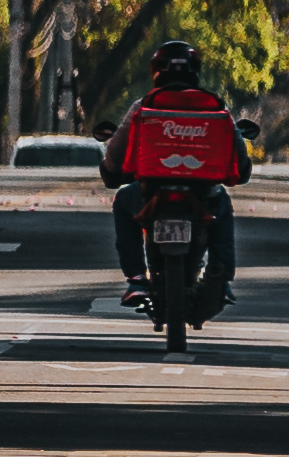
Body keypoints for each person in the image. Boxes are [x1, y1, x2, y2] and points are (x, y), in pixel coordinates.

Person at [100, 39, 252, 309]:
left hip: (149, 193)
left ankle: (136, 278)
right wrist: (241, 170)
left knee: (123, 201)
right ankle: (223, 278)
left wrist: (112, 172)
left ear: (156, 70)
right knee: (223, 209)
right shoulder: (215, 106)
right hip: (204, 193)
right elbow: (238, 154)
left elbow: (118, 147)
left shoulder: (143, 105)